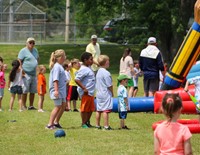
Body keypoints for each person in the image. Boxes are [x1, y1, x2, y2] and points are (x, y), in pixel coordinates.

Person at [46, 49, 67, 130]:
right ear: (61, 57)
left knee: (63, 105)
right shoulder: (57, 67)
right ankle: (50, 124)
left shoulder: (60, 66)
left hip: (62, 90)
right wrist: (56, 90)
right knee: (57, 106)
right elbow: (55, 80)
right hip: (58, 90)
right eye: (64, 56)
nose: (65, 57)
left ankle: (56, 122)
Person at [75, 52, 95, 128]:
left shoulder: (88, 68)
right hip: (85, 93)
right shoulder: (83, 69)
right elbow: (77, 79)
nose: (92, 61)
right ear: (85, 60)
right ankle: (83, 123)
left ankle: (87, 122)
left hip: (91, 92)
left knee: (91, 108)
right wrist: (84, 88)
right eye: (91, 59)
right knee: (84, 108)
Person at [18, 37, 39, 110]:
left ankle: (31, 105)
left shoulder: (35, 50)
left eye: (33, 43)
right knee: (25, 90)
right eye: (30, 42)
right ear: (27, 43)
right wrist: (21, 69)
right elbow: (19, 60)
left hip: (34, 74)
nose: (32, 44)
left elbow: (37, 59)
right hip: (26, 73)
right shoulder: (23, 51)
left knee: (33, 91)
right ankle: (23, 105)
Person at [95, 55, 114, 130]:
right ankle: (106, 126)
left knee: (99, 110)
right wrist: (112, 92)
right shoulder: (106, 73)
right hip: (105, 93)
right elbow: (109, 85)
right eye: (108, 61)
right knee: (105, 110)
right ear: (106, 62)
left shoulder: (98, 71)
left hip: (99, 93)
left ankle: (97, 125)